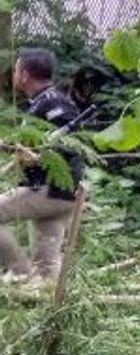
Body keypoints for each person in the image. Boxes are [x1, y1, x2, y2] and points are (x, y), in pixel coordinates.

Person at [0, 48, 82, 282]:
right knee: (46, 268)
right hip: (60, 193)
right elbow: (34, 144)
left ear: (25, 74)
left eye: (16, 69)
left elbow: (69, 143)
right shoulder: (42, 102)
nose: (13, 74)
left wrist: (35, 155)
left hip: (51, 189)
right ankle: (47, 306)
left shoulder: (54, 103)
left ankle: (19, 271)